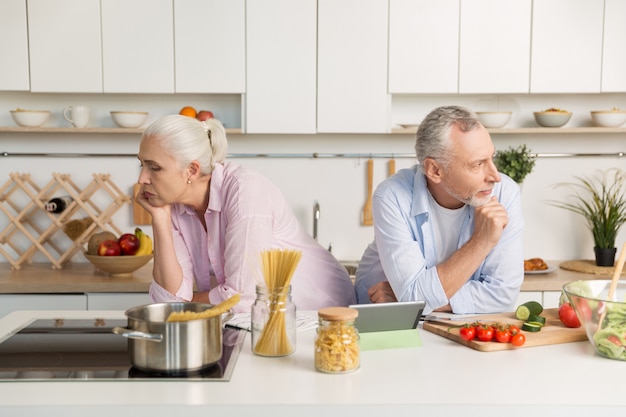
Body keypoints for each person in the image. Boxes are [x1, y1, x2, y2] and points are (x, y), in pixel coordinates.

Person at [135, 114, 356, 312]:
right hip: (259, 321)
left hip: (319, 312)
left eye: (154, 168)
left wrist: (184, 305)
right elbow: (167, 299)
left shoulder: (245, 191)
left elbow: (241, 298)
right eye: (141, 165)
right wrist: (160, 219)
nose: (142, 179)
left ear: (191, 170)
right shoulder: (172, 204)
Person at [355, 105, 524, 314]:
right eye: (478, 164)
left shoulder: (505, 193)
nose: (495, 176)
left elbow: (503, 296)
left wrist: (413, 299)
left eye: (491, 158)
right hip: (385, 321)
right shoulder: (392, 196)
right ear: (435, 170)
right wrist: (482, 241)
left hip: (453, 326)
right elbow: (413, 298)